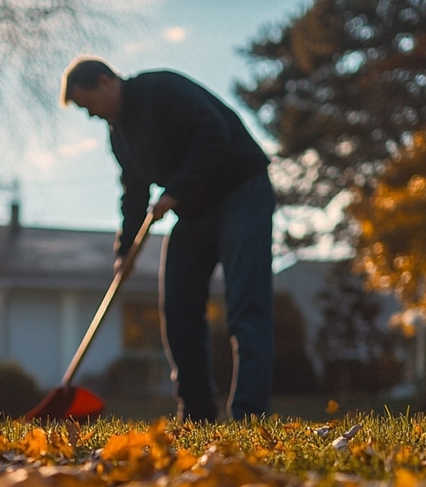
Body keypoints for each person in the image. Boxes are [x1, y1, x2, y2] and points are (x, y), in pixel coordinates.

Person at [61, 56, 275, 422]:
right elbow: (134, 192)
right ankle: (196, 414)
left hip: (242, 192)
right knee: (178, 307)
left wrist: (176, 190)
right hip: (193, 210)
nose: (91, 115)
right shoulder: (120, 136)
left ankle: (249, 414)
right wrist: (124, 251)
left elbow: (214, 134)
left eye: (88, 104)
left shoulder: (160, 89)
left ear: (105, 81)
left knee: (245, 304)